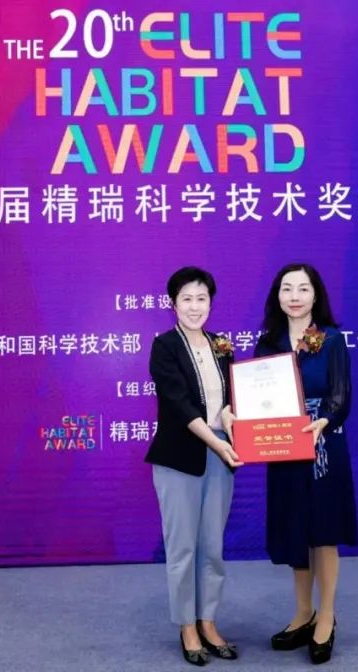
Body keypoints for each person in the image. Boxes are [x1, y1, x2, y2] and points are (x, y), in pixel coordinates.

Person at [224, 262, 358, 665]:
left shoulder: (331, 339)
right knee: (296, 529)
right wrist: (236, 413)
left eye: (303, 288)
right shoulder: (268, 343)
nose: (295, 296)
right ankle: (303, 613)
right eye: (287, 289)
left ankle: (327, 616)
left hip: (322, 447)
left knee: (324, 532)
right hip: (282, 448)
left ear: (316, 295)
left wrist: (325, 420)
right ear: (277, 296)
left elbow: (341, 396)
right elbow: (252, 398)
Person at [145, 266, 243, 666]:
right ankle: (187, 626)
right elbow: (179, 404)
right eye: (186, 298)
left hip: (221, 456)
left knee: (212, 547)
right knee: (183, 547)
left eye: (202, 298)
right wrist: (216, 442)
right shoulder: (164, 346)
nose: (195, 306)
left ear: (211, 303)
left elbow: (231, 399)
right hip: (179, 458)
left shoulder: (222, 345)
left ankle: (209, 621)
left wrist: (232, 417)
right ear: (173, 304)